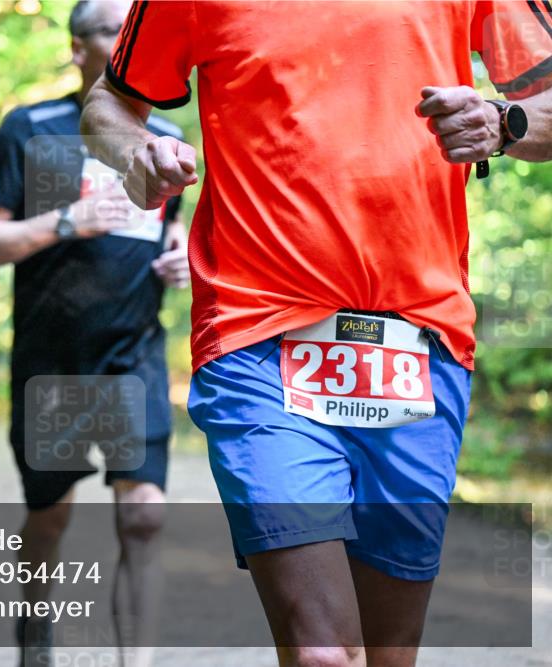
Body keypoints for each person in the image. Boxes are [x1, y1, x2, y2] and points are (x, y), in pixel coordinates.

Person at [81, 1, 551, 665]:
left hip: (422, 338)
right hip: (255, 333)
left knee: (388, 652)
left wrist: (503, 122)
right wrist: (138, 152)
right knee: (323, 651)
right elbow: (109, 103)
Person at [0, 1, 190, 664]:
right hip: (52, 356)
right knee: (49, 516)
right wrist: (67, 220)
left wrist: (184, 254)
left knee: (144, 515)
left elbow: (173, 228)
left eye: (135, 26)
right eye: (113, 30)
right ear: (76, 48)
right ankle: (35, 638)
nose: (128, 39)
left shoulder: (167, 135)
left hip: (133, 351)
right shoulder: (31, 129)